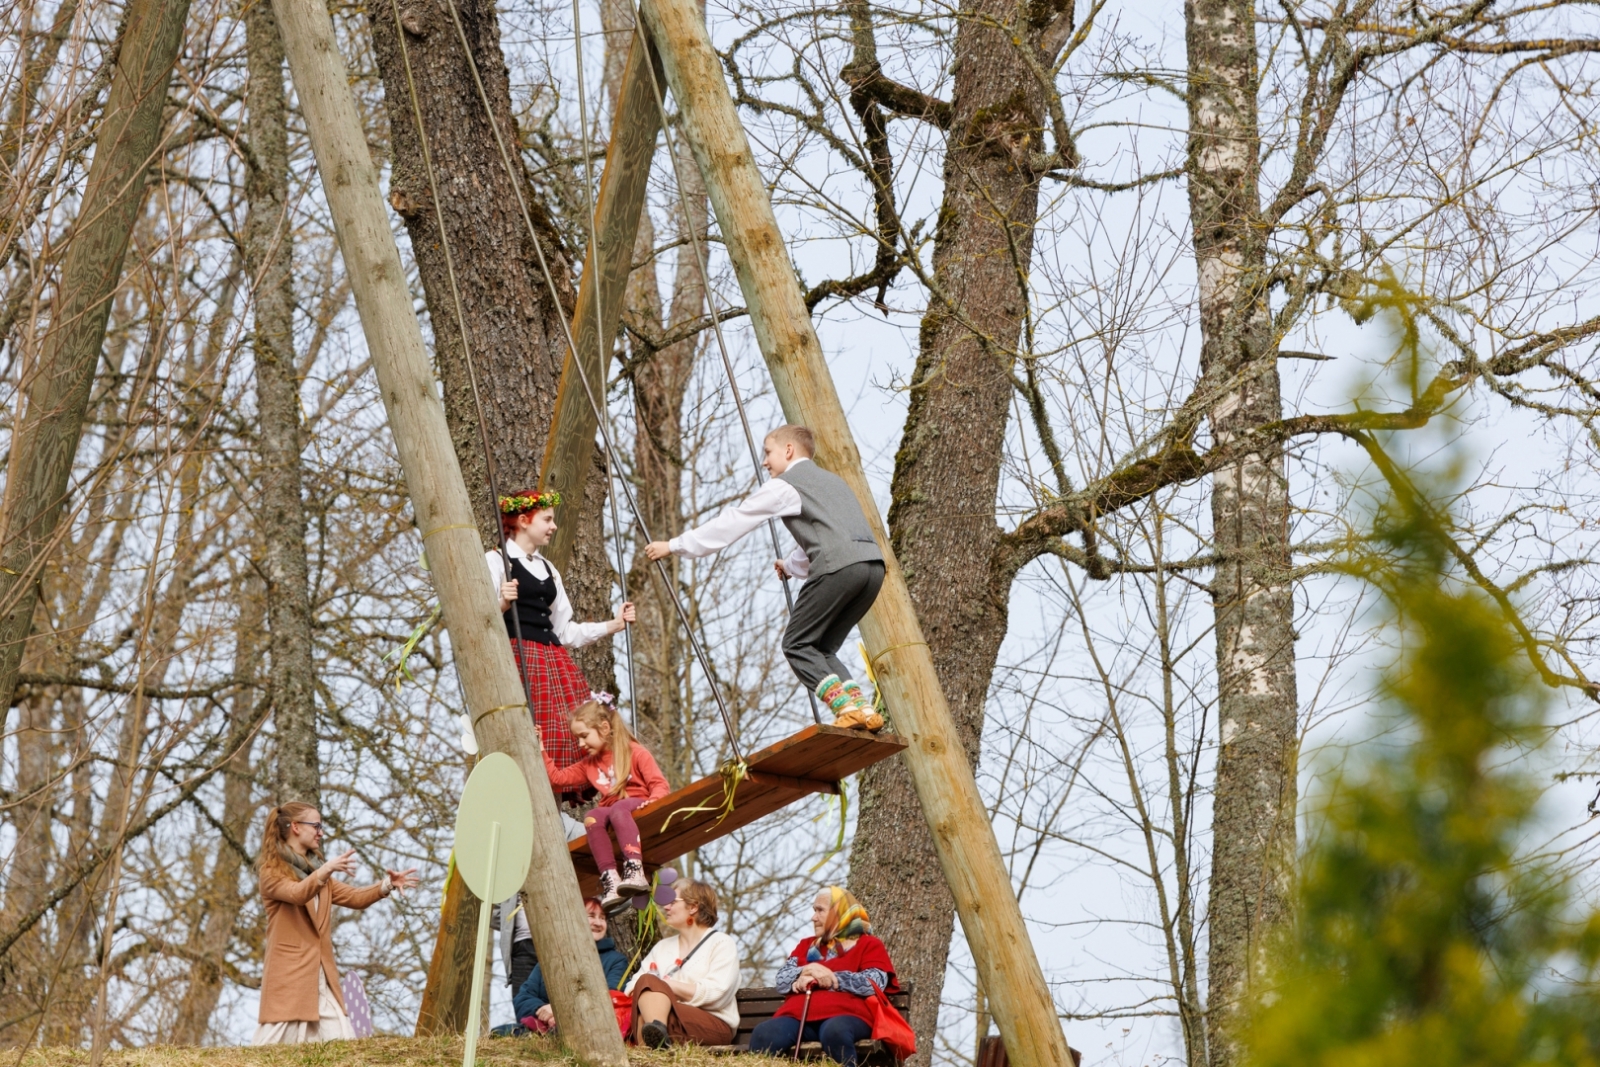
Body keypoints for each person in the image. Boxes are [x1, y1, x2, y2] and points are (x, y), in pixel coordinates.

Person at [643, 425, 885, 731]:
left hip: (837, 566)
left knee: (796, 644)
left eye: (768, 452)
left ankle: (845, 707)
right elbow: (829, 534)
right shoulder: (834, 483)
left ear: (788, 450)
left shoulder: (785, 485)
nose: (765, 462)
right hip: (872, 568)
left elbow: (734, 521)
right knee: (822, 649)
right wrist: (791, 565)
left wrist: (675, 545)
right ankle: (862, 709)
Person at [488, 489, 635, 769]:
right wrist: (502, 603)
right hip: (517, 659)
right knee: (527, 737)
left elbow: (563, 631)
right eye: (547, 519)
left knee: (562, 737)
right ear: (523, 520)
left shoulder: (549, 569)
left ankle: (555, 807)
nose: (554, 526)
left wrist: (613, 625)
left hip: (553, 665)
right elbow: (479, 621)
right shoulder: (496, 561)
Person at [254, 802, 419, 1045]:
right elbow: (299, 893)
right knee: (270, 1050)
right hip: (289, 978)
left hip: (322, 976)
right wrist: (326, 870)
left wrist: (387, 885)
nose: (321, 832)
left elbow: (355, 897)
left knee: (343, 1042)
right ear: (296, 827)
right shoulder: (271, 872)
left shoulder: (319, 874)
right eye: (317, 825)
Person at [543, 695, 671, 910]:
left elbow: (659, 784)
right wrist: (540, 749)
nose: (581, 744)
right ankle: (610, 878)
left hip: (635, 803)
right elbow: (558, 780)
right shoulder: (589, 764)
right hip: (613, 810)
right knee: (592, 816)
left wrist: (654, 803)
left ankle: (634, 869)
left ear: (604, 728)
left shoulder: (636, 753)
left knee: (619, 808)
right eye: (578, 738)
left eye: (584, 736)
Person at [747, 887, 897, 1067]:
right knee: (764, 1034)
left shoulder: (869, 944)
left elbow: (873, 982)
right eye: (814, 910)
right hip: (799, 1017)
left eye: (820, 911)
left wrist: (828, 978)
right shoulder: (805, 945)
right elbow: (781, 980)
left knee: (835, 1031)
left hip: (847, 1016)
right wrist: (806, 970)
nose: (813, 917)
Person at [626, 879, 740, 1049]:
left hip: (711, 1025)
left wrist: (666, 988)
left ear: (693, 907)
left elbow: (718, 993)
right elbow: (632, 987)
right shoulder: (662, 947)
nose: (666, 907)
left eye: (672, 901)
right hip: (669, 1021)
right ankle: (659, 1039)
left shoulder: (722, 943)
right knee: (647, 982)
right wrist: (661, 992)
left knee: (650, 1010)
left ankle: (655, 1041)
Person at [500, 897, 628, 1035]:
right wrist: (541, 1009)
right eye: (591, 916)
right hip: (543, 1026)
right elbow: (523, 997)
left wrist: (559, 1012)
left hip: (588, 1030)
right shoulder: (552, 957)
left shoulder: (616, 960)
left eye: (602, 918)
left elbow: (611, 999)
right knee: (500, 1032)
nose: (598, 923)